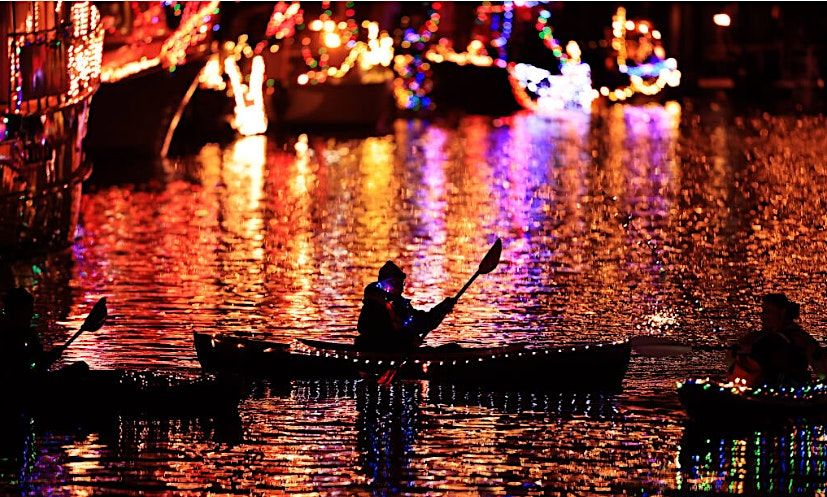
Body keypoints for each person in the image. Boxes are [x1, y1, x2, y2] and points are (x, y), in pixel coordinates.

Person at [727, 293, 825, 386]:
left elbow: (819, 365)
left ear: (782, 313)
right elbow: (733, 354)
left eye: (768, 312)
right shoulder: (756, 337)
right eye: (763, 311)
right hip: (761, 386)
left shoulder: (799, 339)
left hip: (787, 388)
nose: (763, 317)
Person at [356, 261, 456, 352]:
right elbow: (377, 334)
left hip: (401, 350)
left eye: (401, 283)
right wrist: (408, 339)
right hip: (382, 353)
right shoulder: (374, 305)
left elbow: (423, 322)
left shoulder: (400, 304)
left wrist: (443, 308)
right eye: (393, 283)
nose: (399, 287)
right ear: (382, 284)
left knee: (452, 348)